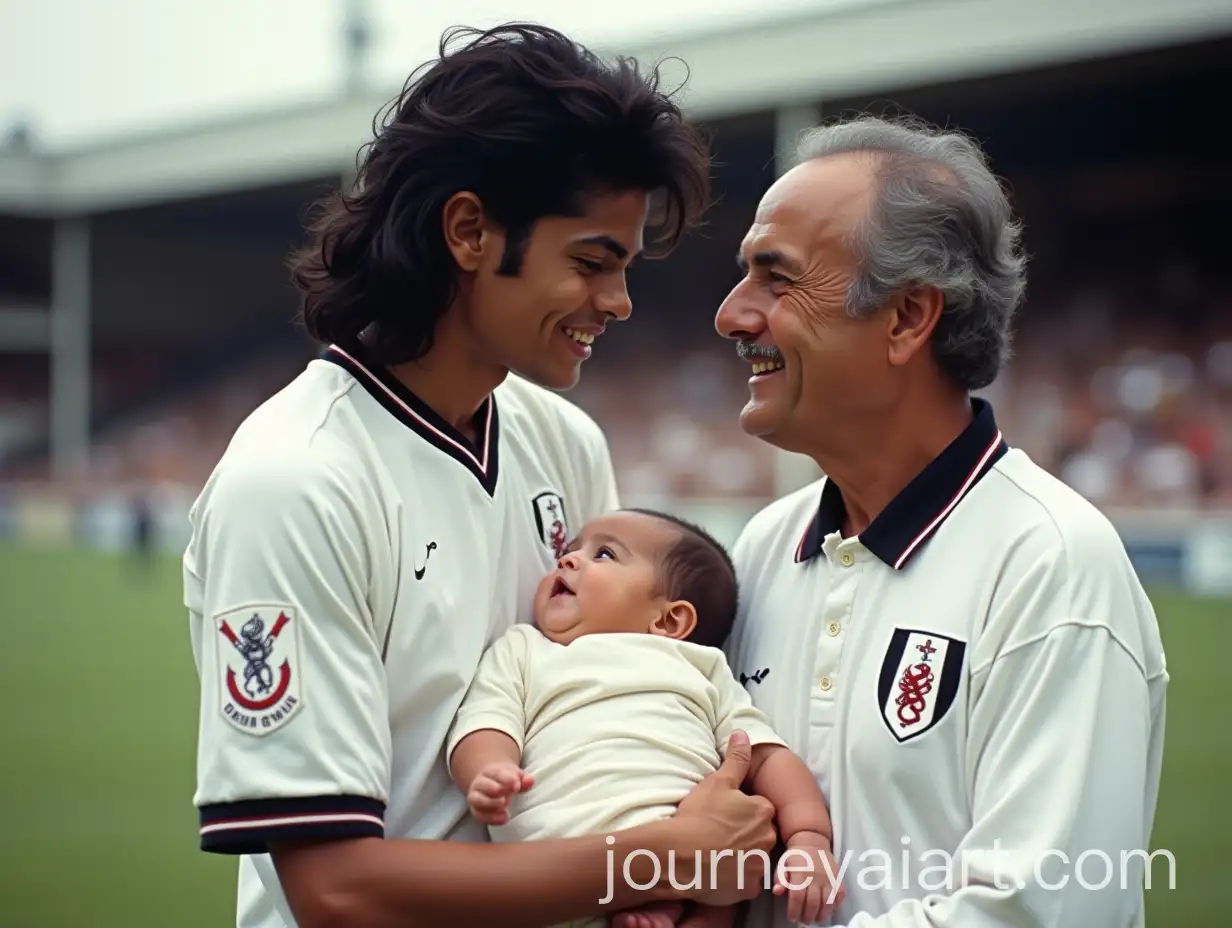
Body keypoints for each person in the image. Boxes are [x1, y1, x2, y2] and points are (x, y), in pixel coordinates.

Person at [183, 23, 778, 928]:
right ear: (469, 230)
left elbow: (617, 726)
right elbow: (336, 892)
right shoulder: (295, 482)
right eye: (591, 262)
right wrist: (656, 859)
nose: (618, 302)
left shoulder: (564, 442)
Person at [715, 114, 1168, 926]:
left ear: (906, 318)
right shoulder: (762, 548)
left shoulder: (1051, 562)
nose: (731, 315)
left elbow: (1038, 912)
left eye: (776, 280)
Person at [447, 508, 846, 928]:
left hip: (681, 846)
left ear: (669, 620)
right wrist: (489, 769)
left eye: (603, 554)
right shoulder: (524, 649)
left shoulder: (699, 668)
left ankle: (663, 905)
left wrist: (808, 837)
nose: (568, 559)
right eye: (570, 549)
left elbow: (766, 757)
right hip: (552, 864)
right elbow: (488, 720)